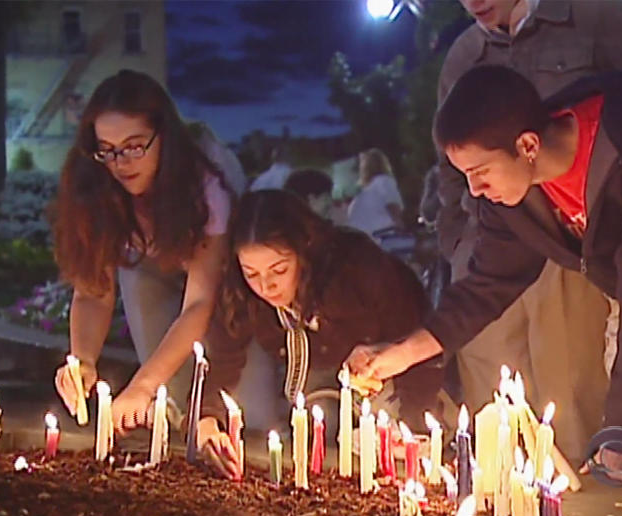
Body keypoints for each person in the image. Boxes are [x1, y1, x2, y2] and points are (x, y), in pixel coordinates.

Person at [349, 65, 622, 485]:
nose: (474, 190)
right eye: (465, 176)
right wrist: (399, 355)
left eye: (480, 172)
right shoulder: (515, 198)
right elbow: (484, 288)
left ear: (527, 144)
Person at [432, 0, 622, 461]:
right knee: (607, 433)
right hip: (578, 265)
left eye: (481, 171)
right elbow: (485, 268)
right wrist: (459, 246)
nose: (472, 2)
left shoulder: (597, 24)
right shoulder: (467, 59)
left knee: (620, 408)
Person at [195, 189, 446, 479]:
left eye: (279, 270)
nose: (266, 286)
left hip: (392, 374)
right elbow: (223, 357)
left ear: (304, 252)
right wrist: (206, 420)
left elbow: (418, 338)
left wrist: (414, 417)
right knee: (318, 429)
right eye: (252, 273)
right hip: (320, 382)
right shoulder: (243, 294)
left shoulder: (356, 271)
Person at [50, 69, 233, 434]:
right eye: (108, 150)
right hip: (147, 267)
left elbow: (200, 302)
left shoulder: (206, 186)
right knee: (168, 394)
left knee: (245, 403)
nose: (121, 163)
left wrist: (142, 385)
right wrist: (82, 359)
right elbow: (92, 289)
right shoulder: (96, 184)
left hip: (230, 288)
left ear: (164, 139)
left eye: (134, 146)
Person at [346, 148, 406, 239]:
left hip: (363, 239)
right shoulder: (385, 181)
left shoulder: (362, 194)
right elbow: (393, 208)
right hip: (382, 236)